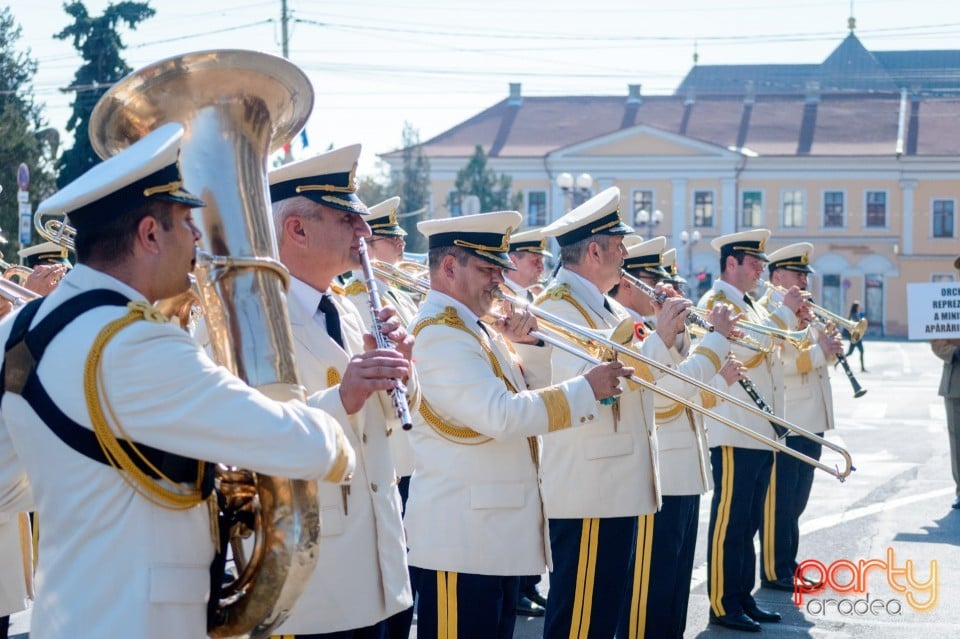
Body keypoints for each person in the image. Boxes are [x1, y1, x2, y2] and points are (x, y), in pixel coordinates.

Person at [0, 123, 355, 639]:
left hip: (66, 617)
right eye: (187, 221)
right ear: (149, 234)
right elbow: (304, 448)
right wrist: (336, 435)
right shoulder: (138, 343)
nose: (196, 236)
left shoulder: (19, 330)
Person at [404, 209, 631, 639]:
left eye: (500, 269)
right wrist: (585, 389)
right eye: (489, 268)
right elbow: (501, 415)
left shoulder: (476, 330)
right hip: (464, 541)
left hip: (493, 537)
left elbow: (523, 394)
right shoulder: (440, 333)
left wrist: (530, 348)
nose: (499, 280)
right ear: (449, 267)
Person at [269, 145, 417, 639]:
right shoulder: (255, 318)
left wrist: (403, 374)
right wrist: (343, 398)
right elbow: (253, 439)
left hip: (374, 558)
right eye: (349, 218)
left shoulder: (350, 311)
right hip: (311, 572)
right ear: (298, 230)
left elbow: (389, 423)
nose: (366, 232)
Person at [532, 189, 690, 639]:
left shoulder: (610, 306)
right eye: (619, 246)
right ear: (595, 250)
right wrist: (657, 338)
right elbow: (598, 385)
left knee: (603, 616)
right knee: (580, 620)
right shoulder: (558, 305)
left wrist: (673, 335)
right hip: (588, 488)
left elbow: (654, 375)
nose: (625, 255)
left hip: (617, 483)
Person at [611, 235, 743, 638]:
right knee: (646, 597)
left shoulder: (658, 329)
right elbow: (665, 402)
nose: (662, 290)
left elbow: (683, 396)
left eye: (666, 283)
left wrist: (684, 338)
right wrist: (714, 346)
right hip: (661, 473)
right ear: (630, 282)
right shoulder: (628, 330)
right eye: (654, 280)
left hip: (685, 470)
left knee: (672, 592)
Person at [698, 229, 806, 632]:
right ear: (731, 263)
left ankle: (741, 597)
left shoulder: (749, 305)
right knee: (731, 522)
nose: (763, 268)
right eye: (755, 261)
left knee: (747, 523)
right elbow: (748, 347)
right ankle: (723, 604)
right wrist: (783, 314)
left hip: (759, 429)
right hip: (735, 427)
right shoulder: (717, 303)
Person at [758, 243, 842, 592]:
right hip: (789, 417)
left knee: (797, 499)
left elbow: (815, 359)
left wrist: (830, 349)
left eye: (806, 275)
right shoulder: (769, 312)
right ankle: (775, 569)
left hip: (811, 418)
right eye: (798, 274)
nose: (805, 281)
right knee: (781, 501)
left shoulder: (802, 310)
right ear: (777, 277)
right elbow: (779, 362)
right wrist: (820, 354)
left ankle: (786, 562)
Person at [501, 227, 552, 617]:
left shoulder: (531, 300)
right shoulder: (502, 303)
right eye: (532, 257)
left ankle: (527, 584)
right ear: (512, 259)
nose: (540, 264)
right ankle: (519, 587)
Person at [932, 256, 960, 510]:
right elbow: (937, 341)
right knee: (958, 439)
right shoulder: (948, 302)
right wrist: (954, 353)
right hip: (956, 383)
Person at [844, 300, 867, 372]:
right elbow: (858, 324)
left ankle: (862, 368)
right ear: (856, 307)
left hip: (858, 337)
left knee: (859, 352)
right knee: (850, 353)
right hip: (855, 337)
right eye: (858, 306)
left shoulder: (857, 314)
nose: (859, 308)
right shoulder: (854, 315)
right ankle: (839, 361)